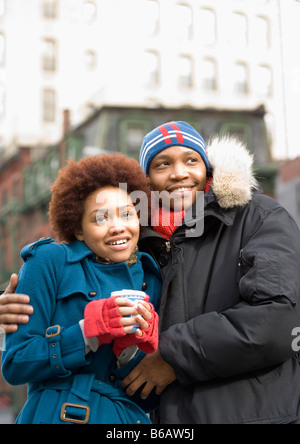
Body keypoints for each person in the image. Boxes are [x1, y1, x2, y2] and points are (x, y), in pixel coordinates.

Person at [2, 121, 300, 424]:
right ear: (148, 183)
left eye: (191, 160)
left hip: (259, 414)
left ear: (208, 168)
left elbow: (277, 320)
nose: (179, 173)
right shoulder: (141, 252)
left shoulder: (258, 216)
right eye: (162, 164)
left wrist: (169, 356)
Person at [1, 154, 161, 424]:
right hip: (58, 414)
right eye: (100, 219)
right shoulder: (49, 261)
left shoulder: (149, 276)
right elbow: (16, 364)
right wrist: (87, 333)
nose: (118, 227)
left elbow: (145, 397)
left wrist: (130, 353)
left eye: (126, 214)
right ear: (78, 229)